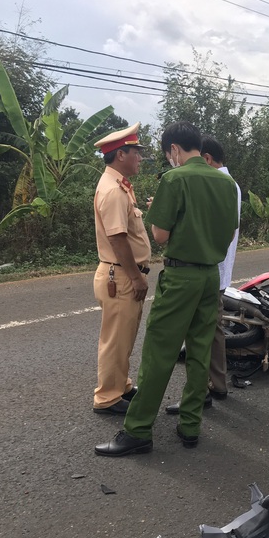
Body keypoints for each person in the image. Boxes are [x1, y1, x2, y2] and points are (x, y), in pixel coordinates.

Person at [95, 121, 238, 456]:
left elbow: (160, 235)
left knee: (159, 352)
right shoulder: (226, 182)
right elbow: (230, 233)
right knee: (200, 350)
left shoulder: (173, 179)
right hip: (210, 277)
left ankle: (139, 430)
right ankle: (190, 425)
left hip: (181, 277)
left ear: (174, 150)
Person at [164, 135, 242, 415]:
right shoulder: (229, 184)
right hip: (217, 271)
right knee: (212, 330)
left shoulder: (215, 183)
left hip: (204, 270)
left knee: (199, 333)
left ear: (206, 159)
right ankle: (216, 384)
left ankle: (201, 393)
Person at [91, 124, 151, 415]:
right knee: (116, 340)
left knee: (124, 336)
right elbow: (117, 239)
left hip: (121, 274)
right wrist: (136, 276)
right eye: (136, 152)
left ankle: (121, 386)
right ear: (120, 155)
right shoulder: (113, 190)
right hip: (122, 275)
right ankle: (107, 397)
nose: (140, 157)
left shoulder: (120, 185)